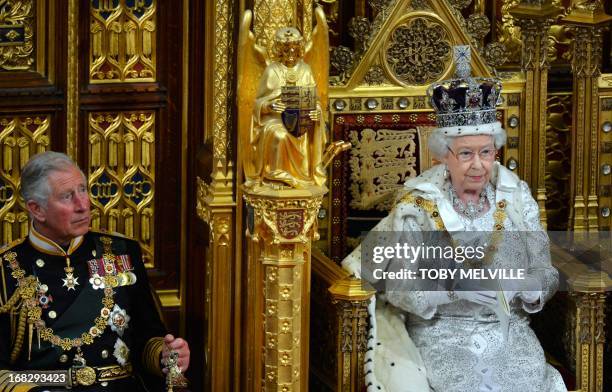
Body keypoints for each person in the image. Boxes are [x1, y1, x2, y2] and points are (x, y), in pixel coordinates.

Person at [342, 47, 567, 392]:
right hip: (443, 336)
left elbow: (546, 272)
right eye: (465, 153)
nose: (478, 164)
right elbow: (399, 288)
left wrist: (527, 287)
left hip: (509, 335)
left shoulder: (517, 198)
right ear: (444, 155)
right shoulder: (418, 204)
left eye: (486, 152)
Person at [0, 152, 190, 391]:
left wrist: (166, 354)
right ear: (36, 209)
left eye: (83, 190)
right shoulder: (6, 268)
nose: (83, 205)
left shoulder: (121, 252)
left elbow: (146, 337)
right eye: (67, 197)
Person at [248, 27, 327, 188]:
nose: (290, 53)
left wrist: (316, 112)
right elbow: (257, 104)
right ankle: (275, 175)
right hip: (274, 121)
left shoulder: (305, 70)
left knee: (298, 134)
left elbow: (315, 101)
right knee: (280, 135)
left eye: (294, 49)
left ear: (299, 49)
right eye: (286, 50)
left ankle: (302, 177)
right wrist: (269, 106)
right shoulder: (272, 71)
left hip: (300, 123)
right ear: (279, 50)